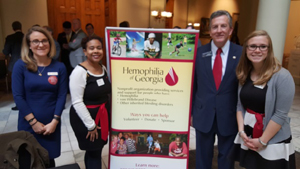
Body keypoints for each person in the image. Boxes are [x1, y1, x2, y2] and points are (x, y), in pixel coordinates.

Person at [229, 30, 296, 169]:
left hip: (272, 137)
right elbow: (240, 106)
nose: (257, 50)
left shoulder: (282, 76)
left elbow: (280, 114)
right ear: (246, 49)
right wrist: (241, 132)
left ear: (269, 49)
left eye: (262, 46)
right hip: (249, 133)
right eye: (252, 46)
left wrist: (262, 141)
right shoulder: (244, 74)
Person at [192, 10, 242, 169]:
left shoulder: (241, 54)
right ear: (209, 31)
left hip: (229, 115)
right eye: (215, 27)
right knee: (202, 158)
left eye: (223, 26)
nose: (219, 30)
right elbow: (193, 86)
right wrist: (191, 114)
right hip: (203, 114)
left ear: (230, 30)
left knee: (227, 159)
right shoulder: (198, 53)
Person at [12, 26, 68, 168]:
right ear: (29, 45)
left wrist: (55, 121)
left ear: (50, 43)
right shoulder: (20, 66)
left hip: (51, 124)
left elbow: (62, 96)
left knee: (49, 160)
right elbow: (18, 96)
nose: (41, 44)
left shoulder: (59, 67)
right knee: (29, 160)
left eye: (44, 40)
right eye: (35, 41)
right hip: (28, 124)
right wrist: (33, 122)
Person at [69, 36, 111, 169]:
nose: (96, 51)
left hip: (102, 114)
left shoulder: (103, 67)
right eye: (91, 48)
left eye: (99, 48)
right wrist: (91, 125)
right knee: (93, 151)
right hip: (86, 118)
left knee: (95, 150)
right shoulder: (79, 72)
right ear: (85, 51)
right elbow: (77, 102)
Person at [0, 21, 24, 111]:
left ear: (13, 28)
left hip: (14, 63)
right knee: (26, 83)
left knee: (16, 85)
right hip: (27, 62)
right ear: (21, 27)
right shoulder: (26, 36)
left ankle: (19, 104)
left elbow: (5, 51)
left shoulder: (10, 38)